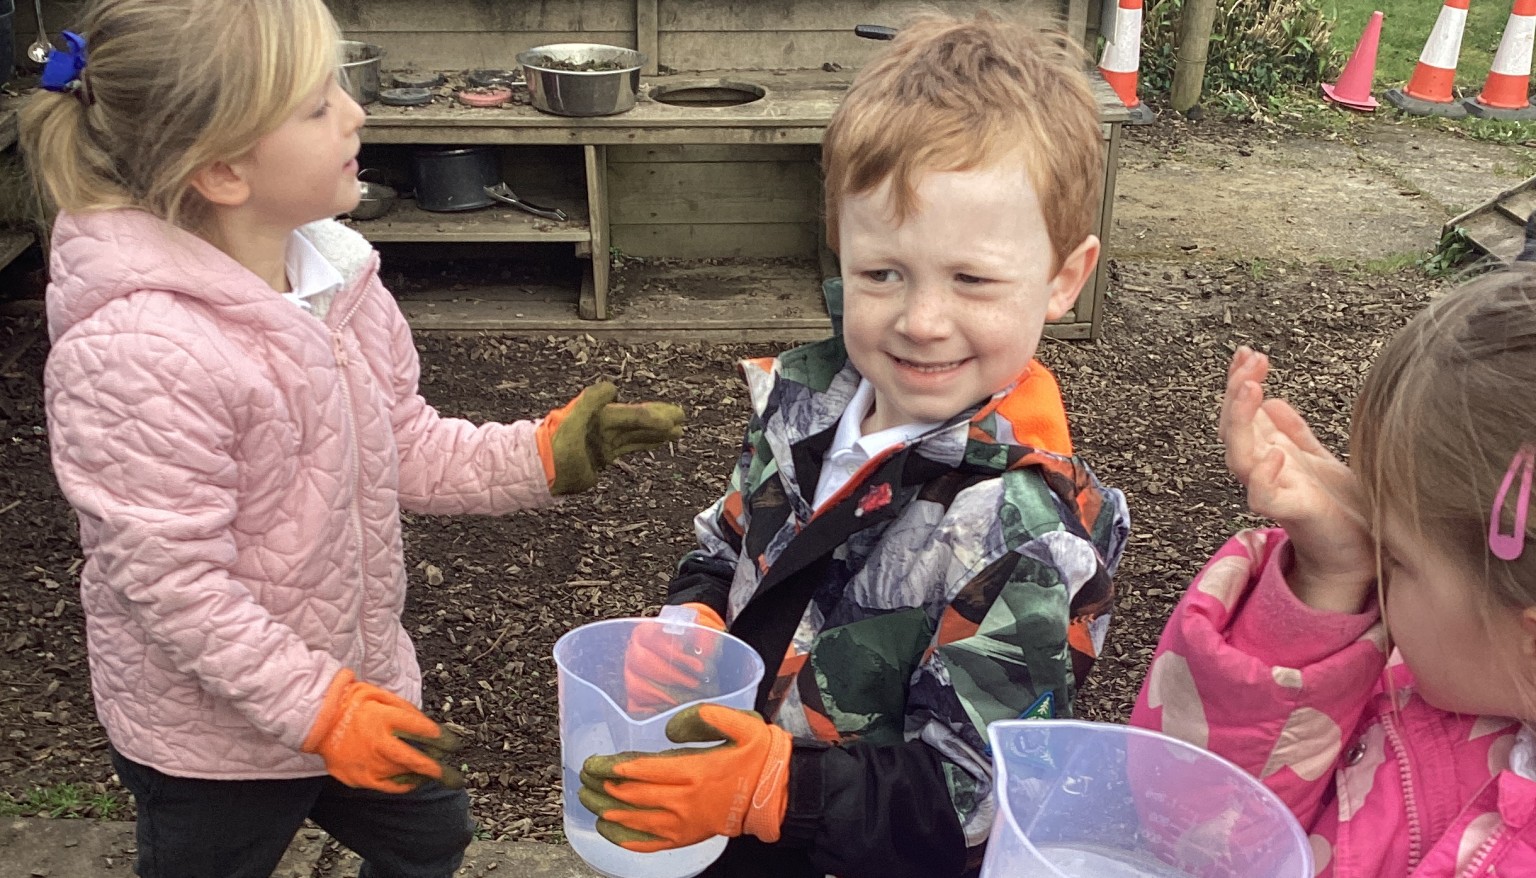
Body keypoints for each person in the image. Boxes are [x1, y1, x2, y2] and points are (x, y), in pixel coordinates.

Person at [19, 2, 684, 876]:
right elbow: (174, 588)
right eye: (315, 103)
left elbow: (401, 440)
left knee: (431, 836)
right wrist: (320, 711)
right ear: (222, 169)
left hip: (360, 687)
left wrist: (541, 453)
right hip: (213, 740)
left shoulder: (334, 275)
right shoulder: (137, 353)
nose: (355, 111)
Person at [576, 13, 1130, 878]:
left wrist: (771, 790)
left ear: (1063, 277)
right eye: (883, 272)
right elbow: (729, 541)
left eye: (972, 279)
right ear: (839, 246)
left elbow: (973, 794)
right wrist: (693, 616)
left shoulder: (1020, 533)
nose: (920, 319)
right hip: (725, 809)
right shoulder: (805, 400)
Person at [1131, 265, 1536, 877]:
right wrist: (1326, 579)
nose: (1378, 567)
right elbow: (1201, 834)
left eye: (1395, 558)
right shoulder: (1422, 690)